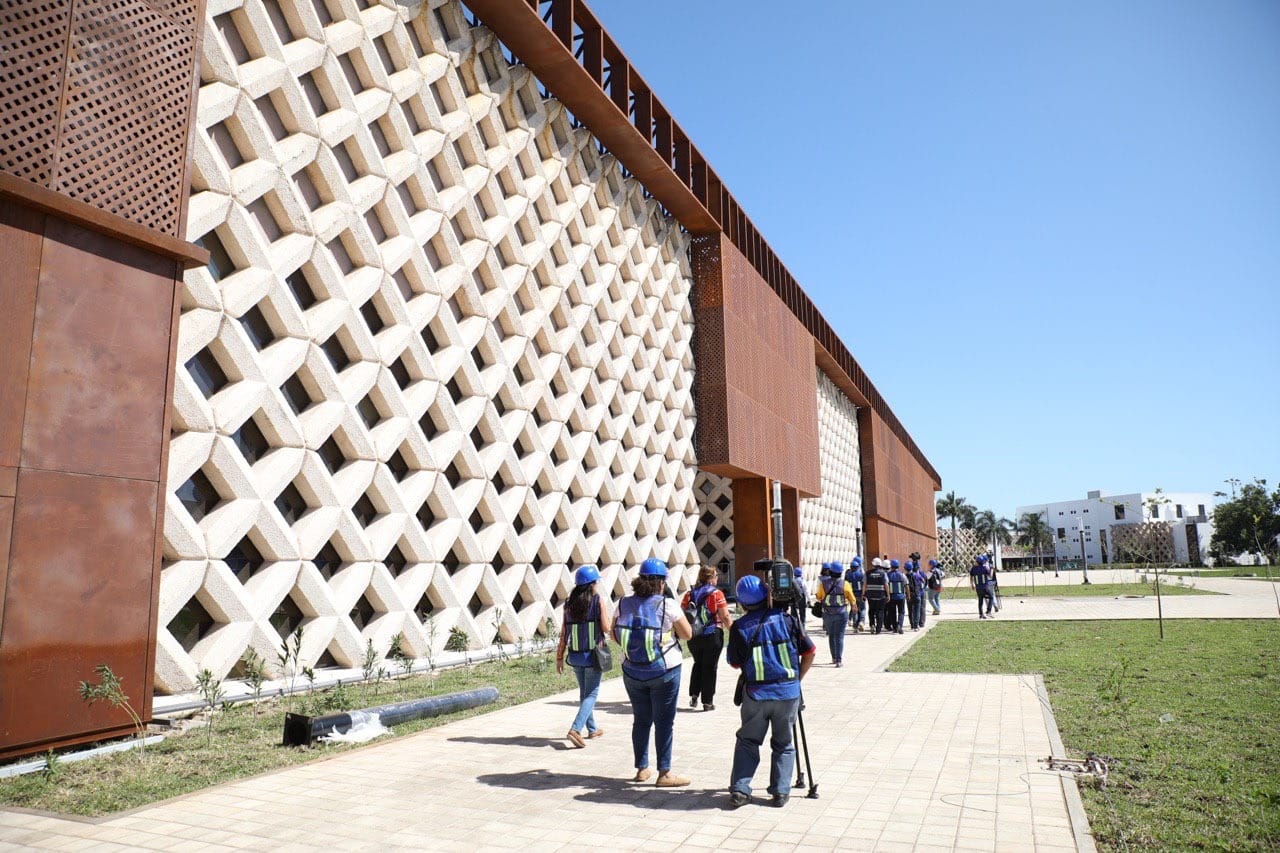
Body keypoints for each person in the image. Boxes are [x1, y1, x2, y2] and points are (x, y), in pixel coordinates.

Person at [726, 573, 816, 809]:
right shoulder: (787, 620)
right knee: (784, 743)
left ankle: (740, 790)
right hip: (788, 694)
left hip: (755, 694)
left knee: (748, 741)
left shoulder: (739, 627)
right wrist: (797, 680)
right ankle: (780, 791)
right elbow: (810, 653)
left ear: (742, 603)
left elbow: (735, 662)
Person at [614, 557, 694, 786]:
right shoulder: (667, 604)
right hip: (664, 670)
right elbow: (688, 634)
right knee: (664, 721)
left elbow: (614, 634)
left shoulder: (623, 603)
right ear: (661, 583)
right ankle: (665, 773)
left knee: (641, 720)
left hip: (632, 670)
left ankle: (641, 769)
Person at [556, 565, 613, 748]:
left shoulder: (568, 603)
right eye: (596, 582)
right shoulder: (597, 601)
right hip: (593, 656)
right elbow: (605, 628)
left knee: (584, 693)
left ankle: (592, 729)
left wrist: (559, 657)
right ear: (591, 584)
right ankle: (575, 729)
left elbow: (564, 633)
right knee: (591, 694)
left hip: (575, 657)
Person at [681, 565, 733, 711]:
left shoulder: (689, 594)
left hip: (694, 636)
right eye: (716, 576)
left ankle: (694, 695)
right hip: (712, 634)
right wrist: (734, 632)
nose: (717, 578)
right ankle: (707, 702)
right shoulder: (717, 594)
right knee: (710, 667)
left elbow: (683, 613)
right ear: (711, 578)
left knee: (698, 663)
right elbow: (725, 616)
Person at [815, 562, 856, 666]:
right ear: (841, 572)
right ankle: (839, 660)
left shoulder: (823, 583)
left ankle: (833, 658)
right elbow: (851, 598)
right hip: (841, 613)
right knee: (840, 636)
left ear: (830, 571)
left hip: (827, 614)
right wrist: (854, 607)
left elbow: (819, 597)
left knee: (831, 636)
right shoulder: (845, 584)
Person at [863, 558, 888, 634]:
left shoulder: (867, 573)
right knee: (880, 612)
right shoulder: (883, 573)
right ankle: (878, 628)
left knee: (871, 611)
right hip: (881, 596)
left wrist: (863, 594)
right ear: (880, 565)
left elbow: (864, 584)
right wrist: (888, 595)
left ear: (873, 564)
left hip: (870, 596)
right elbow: (886, 585)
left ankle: (872, 625)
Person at [970, 554, 995, 619]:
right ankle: (989, 611)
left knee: (980, 600)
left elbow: (971, 576)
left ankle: (981, 614)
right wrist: (992, 569)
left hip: (978, 587)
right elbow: (990, 576)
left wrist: (972, 584)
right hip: (985, 587)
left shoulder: (973, 568)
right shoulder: (984, 568)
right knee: (991, 597)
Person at [886, 559, 907, 634]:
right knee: (901, 612)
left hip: (891, 597)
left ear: (891, 566)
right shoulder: (902, 574)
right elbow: (906, 585)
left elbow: (886, 585)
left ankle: (894, 628)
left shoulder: (888, 575)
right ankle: (900, 625)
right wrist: (907, 595)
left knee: (892, 612)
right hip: (901, 596)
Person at [845, 557, 865, 633]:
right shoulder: (861, 574)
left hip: (851, 594)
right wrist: (864, 593)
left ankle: (855, 626)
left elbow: (845, 584)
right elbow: (864, 584)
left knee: (854, 610)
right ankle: (862, 621)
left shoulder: (848, 574)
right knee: (862, 609)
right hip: (860, 593)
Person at [910, 559, 928, 630]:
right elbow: (926, 583)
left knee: (913, 609)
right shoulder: (923, 573)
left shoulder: (911, 575)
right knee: (922, 608)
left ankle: (913, 623)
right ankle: (922, 622)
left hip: (914, 593)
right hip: (922, 592)